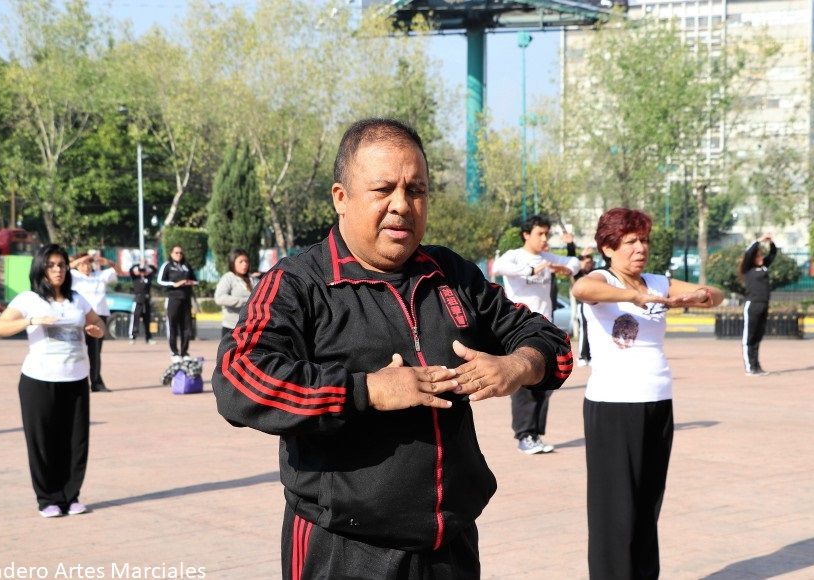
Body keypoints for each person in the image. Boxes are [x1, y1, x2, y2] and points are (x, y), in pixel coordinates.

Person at [211, 118, 572, 579]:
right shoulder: (298, 283)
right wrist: (366, 391)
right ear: (341, 198)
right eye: (383, 190)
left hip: (450, 545)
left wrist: (519, 365)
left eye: (416, 191)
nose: (402, 205)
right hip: (342, 545)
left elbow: (552, 343)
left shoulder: (451, 274)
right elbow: (238, 378)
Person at [572, 208, 723, 579]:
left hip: (657, 400)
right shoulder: (603, 280)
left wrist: (698, 296)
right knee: (615, 509)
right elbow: (581, 289)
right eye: (630, 242)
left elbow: (716, 296)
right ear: (608, 248)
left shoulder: (657, 281)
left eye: (644, 240)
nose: (640, 248)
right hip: (613, 405)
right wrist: (633, 297)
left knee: (646, 504)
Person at [0, 244, 105, 518]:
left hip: (76, 379)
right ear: (41, 268)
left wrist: (95, 330)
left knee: (75, 442)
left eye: (62, 265)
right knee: (43, 442)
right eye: (51, 265)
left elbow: (99, 325)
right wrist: (31, 320)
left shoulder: (77, 299)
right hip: (39, 380)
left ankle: (70, 496)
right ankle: (47, 499)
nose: (58, 270)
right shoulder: (29, 299)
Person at [491, 214, 580, 455]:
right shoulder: (515, 256)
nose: (544, 239)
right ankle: (524, 435)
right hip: (519, 327)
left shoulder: (548, 258)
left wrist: (564, 266)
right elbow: (498, 267)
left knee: (546, 382)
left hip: (546, 327)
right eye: (540, 234)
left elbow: (575, 263)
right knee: (525, 382)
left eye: (547, 234)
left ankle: (536, 434)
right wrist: (531, 269)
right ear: (526, 234)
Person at [70, 251, 118, 392]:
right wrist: (83, 258)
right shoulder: (74, 276)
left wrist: (108, 262)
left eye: (89, 264)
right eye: (83, 264)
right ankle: (76, 383)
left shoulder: (100, 275)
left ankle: (96, 383)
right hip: (81, 317)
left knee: (95, 352)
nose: (86, 267)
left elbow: (118, 271)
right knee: (78, 350)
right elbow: (66, 267)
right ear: (77, 265)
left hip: (99, 318)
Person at [739, 233, 777, 376]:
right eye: (758, 256)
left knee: (758, 337)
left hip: (764, 304)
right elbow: (748, 252)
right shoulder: (748, 268)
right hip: (752, 305)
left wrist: (771, 242)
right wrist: (760, 240)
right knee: (749, 337)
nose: (761, 258)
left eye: (761, 256)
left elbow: (773, 254)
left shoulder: (764, 267)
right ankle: (750, 367)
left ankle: (756, 366)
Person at [158, 245, 197, 362]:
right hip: (173, 299)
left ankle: (184, 352)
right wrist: (174, 284)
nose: (179, 255)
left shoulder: (186, 266)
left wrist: (190, 282)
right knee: (172, 325)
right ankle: (174, 352)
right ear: (171, 254)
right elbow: (160, 281)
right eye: (176, 253)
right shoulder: (167, 265)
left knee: (186, 326)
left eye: (180, 253)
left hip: (186, 299)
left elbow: (196, 280)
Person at [214, 248, 258, 338]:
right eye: (241, 262)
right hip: (231, 327)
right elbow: (219, 298)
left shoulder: (253, 280)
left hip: (251, 328)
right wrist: (245, 301)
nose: (244, 264)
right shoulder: (228, 278)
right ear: (233, 263)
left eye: (246, 261)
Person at [128, 260, 157, 344]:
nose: (142, 273)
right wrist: (138, 265)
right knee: (135, 318)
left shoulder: (148, 277)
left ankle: (149, 337)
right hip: (138, 301)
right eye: (141, 271)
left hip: (146, 301)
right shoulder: (135, 278)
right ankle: (132, 337)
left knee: (147, 319)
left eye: (143, 271)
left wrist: (147, 265)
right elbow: (131, 270)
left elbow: (154, 270)